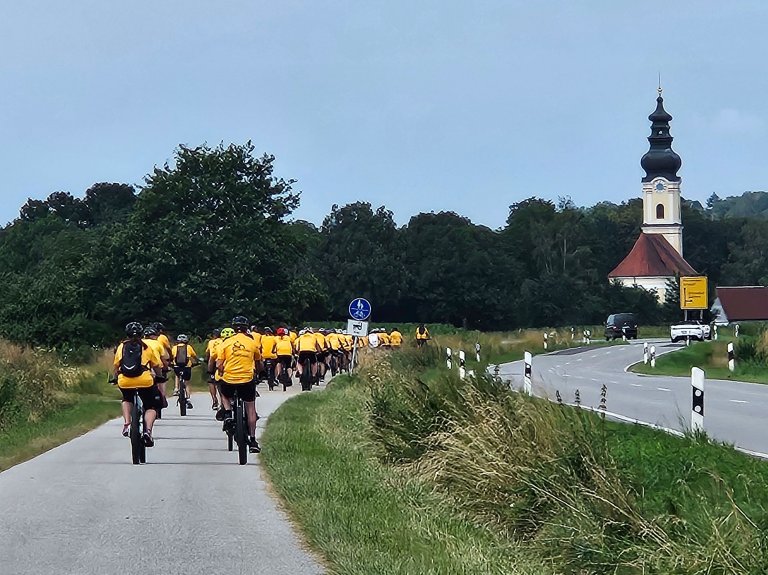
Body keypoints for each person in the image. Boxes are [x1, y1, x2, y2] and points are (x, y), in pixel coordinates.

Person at [113, 322, 163, 446]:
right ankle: (148, 431)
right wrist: (160, 376)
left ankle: (127, 424)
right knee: (151, 406)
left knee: (126, 399)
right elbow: (156, 365)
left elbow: (116, 365)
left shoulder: (121, 347)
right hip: (145, 381)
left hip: (125, 381)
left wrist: (115, 378)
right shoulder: (146, 347)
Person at [217, 316, 262, 453]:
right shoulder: (252, 342)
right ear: (246, 328)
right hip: (247, 379)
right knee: (250, 408)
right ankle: (253, 440)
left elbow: (219, 364)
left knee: (224, 394)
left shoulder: (225, 343)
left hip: (229, 378)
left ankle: (229, 414)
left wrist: (222, 370)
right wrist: (261, 372)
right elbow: (259, 362)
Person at [171, 334, 197, 409]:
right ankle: (188, 398)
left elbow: (171, 357)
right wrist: (197, 361)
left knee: (177, 375)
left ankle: (176, 388)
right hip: (187, 367)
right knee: (187, 382)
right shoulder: (189, 347)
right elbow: (194, 356)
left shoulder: (174, 348)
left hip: (177, 367)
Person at [205, 328, 223, 410]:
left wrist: (206, 361)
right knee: (220, 382)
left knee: (211, 382)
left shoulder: (211, 342)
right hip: (222, 362)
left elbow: (208, 353)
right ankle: (223, 401)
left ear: (213, 335)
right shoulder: (224, 342)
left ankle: (214, 400)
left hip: (213, 363)